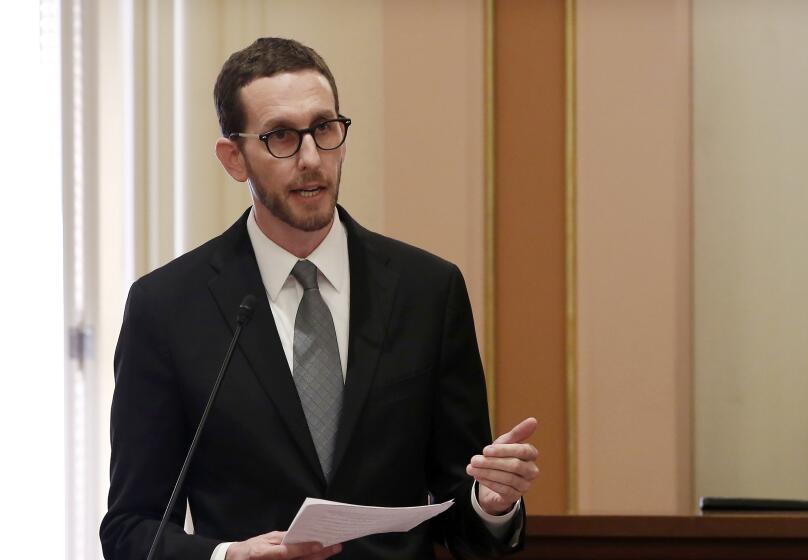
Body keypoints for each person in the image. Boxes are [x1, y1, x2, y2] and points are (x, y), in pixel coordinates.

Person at [100, 37, 539, 560]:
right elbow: (131, 528)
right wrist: (225, 556)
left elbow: (459, 515)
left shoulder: (428, 291)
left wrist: (490, 505)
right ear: (234, 158)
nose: (311, 158)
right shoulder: (168, 308)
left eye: (324, 129)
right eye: (281, 136)